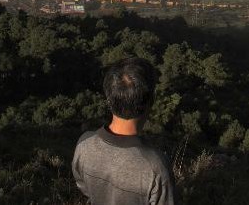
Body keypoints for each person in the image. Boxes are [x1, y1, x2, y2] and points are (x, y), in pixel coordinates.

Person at [73, 57, 177, 205]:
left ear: (108, 99)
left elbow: (84, 188)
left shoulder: (84, 144)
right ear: (151, 101)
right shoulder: (156, 167)